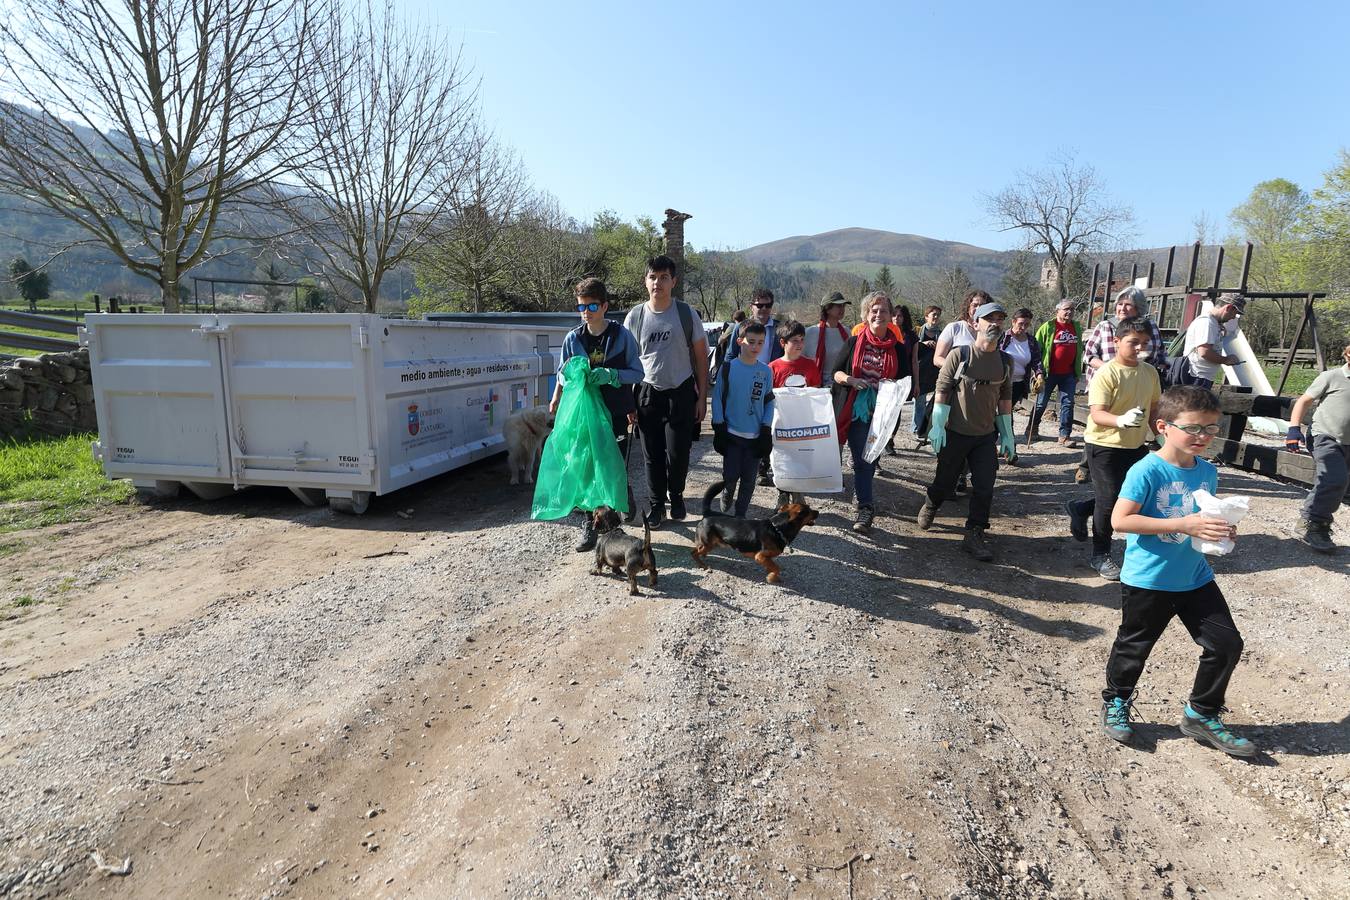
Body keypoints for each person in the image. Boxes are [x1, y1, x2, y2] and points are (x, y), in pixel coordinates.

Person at [1100, 386, 1254, 758]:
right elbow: (1120, 520)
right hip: (1148, 578)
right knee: (1135, 647)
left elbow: (1203, 518)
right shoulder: (1146, 469)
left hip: (1195, 576)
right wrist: (1184, 524)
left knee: (1226, 644)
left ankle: (1201, 714)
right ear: (1163, 427)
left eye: (1211, 429)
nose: (1203, 437)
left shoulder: (1207, 472)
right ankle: (1116, 701)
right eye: (1194, 428)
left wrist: (1222, 528)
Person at [915, 301, 1016, 561]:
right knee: (945, 482)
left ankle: (974, 533)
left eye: (999, 319)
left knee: (985, 486)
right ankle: (931, 502)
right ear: (975, 323)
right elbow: (942, 389)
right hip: (955, 432)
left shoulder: (1005, 361)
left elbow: (1005, 399)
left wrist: (1007, 434)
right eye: (989, 319)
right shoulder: (959, 355)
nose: (995, 323)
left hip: (984, 436)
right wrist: (938, 426)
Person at [1065, 318, 1162, 580]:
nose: (1140, 347)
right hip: (1103, 445)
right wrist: (1120, 420)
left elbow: (1154, 409)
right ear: (1117, 342)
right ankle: (1101, 554)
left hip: (1135, 445)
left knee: (1131, 496)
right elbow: (1097, 414)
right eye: (1133, 342)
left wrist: (1163, 436)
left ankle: (1082, 508)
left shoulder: (1150, 373)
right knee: (1109, 502)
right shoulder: (1107, 373)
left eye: (1145, 343)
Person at [551, 278, 645, 549]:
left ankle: (617, 506)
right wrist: (559, 395)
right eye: (582, 306)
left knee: (610, 464)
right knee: (583, 468)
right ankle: (589, 526)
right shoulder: (573, 338)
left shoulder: (621, 336)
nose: (587, 311)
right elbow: (561, 373)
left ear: (604, 306)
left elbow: (638, 373)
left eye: (592, 305)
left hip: (614, 412)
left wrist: (611, 375)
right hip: (582, 415)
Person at [623, 254, 709, 526]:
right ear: (645, 281)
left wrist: (702, 398)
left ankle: (678, 495)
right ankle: (657, 506)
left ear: (674, 281)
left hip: (681, 392)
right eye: (652, 277)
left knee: (678, 453)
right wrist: (629, 402)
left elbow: (701, 358)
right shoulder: (635, 317)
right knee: (652, 454)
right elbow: (627, 362)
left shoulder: (686, 314)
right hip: (648, 393)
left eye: (663, 277)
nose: (657, 282)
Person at [828, 291, 909, 534]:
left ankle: (864, 501)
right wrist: (851, 380)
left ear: (890, 316)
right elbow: (836, 373)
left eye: (883, 310)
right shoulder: (854, 343)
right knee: (858, 458)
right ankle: (863, 504)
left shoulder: (897, 348)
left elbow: (905, 379)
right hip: (854, 410)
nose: (878, 314)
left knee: (869, 459)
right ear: (866, 315)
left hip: (881, 414)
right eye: (873, 310)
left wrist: (890, 386)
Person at [1077, 286, 1169, 484]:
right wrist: (1112, 370)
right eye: (1120, 304)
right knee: (1102, 422)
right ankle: (1086, 466)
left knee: (1128, 488)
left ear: (1139, 309)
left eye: (1129, 305)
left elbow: (1160, 354)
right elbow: (1089, 355)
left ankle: (1086, 505)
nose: (1122, 308)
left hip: (1141, 381)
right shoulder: (1105, 326)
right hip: (1108, 382)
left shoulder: (1150, 328)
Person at [1286, 342, 1350, 553]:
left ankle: (1314, 521)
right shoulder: (1331, 377)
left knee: (1337, 482)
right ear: (1348, 356)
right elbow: (1303, 401)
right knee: (1334, 478)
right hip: (1325, 436)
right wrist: (1294, 429)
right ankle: (1313, 524)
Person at [711, 322, 775, 518]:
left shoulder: (765, 372)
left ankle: (740, 515)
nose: (755, 347)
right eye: (751, 342)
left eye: (760, 343)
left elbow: (769, 401)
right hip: (731, 435)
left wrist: (765, 429)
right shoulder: (728, 368)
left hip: (754, 436)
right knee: (730, 476)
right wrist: (719, 427)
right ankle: (727, 492)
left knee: (748, 480)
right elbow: (717, 398)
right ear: (740, 341)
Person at [1031, 298, 1083, 445]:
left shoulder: (1077, 327)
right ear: (1057, 311)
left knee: (1068, 403)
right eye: (1066, 309)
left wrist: (1077, 372)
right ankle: (1032, 427)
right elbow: (1036, 349)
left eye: (1072, 309)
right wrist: (1038, 372)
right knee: (1041, 403)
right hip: (1048, 374)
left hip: (1068, 374)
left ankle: (1064, 435)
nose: (1070, 312)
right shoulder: (1047, 327)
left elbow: (1079, 350)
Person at [1178, 293, 1246, 389]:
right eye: (1235, 313)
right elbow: (1205, 352)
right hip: (1197, 377)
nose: (1234, 317)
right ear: (1228, 308)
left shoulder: (1213, 323)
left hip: (1200, 377)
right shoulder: (1207, 323)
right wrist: (1226, 360)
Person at [998, 307, 1042, 408]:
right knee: (1003, 413)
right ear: (1013, 322)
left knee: (1006, 412)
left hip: (1018, 384)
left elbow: (1036, 361)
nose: (1023, 327)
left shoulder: (1031, 341)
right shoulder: (1002, 337)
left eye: (1026, 324)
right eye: (1020, 324)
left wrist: (1039, 375)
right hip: (1000, 382)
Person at [804, 293, 851, 381]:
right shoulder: (811, 332)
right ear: (827, 309)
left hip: (841, 384)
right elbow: (801, 360)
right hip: (816, 385)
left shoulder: (846, 332)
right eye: (838, 306)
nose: (842, 309)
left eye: (843, 306)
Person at [912, 305, 943, 439]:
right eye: (933, 314)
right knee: (919, 401)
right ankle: (918, 428)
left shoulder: (942, 334)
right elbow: (912, 348)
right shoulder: (917, 331)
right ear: (926, 317)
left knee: (935, 401)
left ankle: (928, 426)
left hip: (935, 371)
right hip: (920, 370)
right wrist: (924, 343)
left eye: (938, 314)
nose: (936, 317)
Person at [769, 320, 820, 388]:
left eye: (802, 339)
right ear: (783, 342)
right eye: (795, 340)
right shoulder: (772, 368)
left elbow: (816, 392)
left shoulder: (811, 365)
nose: (800, 344)